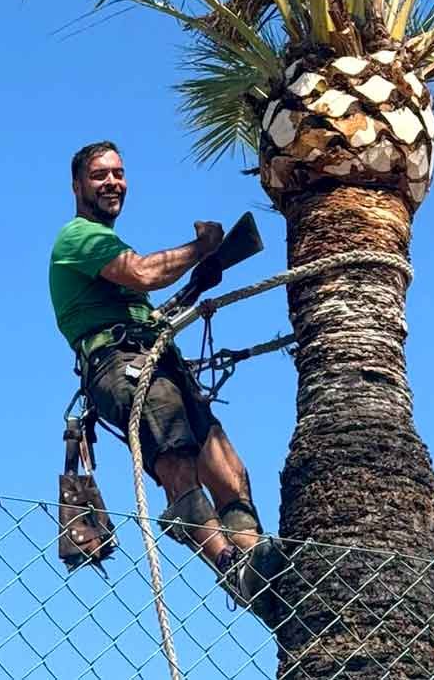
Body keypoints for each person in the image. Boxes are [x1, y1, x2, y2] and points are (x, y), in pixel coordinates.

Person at [49, 140, 285, 624]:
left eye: (118, 172)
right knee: (174, 453)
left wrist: (200, 279)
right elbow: (140, 273)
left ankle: (258, 566)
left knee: (229, 470)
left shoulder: (103, 253)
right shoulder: (78, 237)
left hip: (157, 360)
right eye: (100, 175)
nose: (113, 181)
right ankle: (228, 563)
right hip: (121, 364)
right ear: (77, 186)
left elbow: (144, 296)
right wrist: (201, 247)